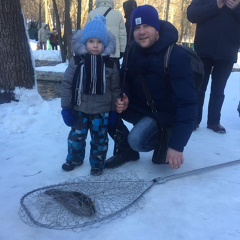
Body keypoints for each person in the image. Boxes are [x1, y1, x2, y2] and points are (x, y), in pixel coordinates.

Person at [105, 5, 197, 170]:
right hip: (142, 108)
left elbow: (188, 104)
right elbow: (123, 79)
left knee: (136, 140)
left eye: (146, 26)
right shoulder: (132, 50)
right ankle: (127, 152)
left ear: (157, 28)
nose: (141, 32)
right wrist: (125, 96)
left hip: (164, 114)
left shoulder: (176, 56)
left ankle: (166, 136)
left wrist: (177, 145)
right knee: (105, 107)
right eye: (137, 27)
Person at [61, 15, 121, 176]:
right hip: (79, 108)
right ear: (84, 42)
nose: (95, 46)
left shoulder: (110, 64)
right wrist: (66, 108)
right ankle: (74, 159)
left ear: (105, 43)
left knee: (99, 139)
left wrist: (114, 111)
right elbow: (67, 84)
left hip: (101, 111)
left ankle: (97, 163)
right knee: (76, 138)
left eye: (99, 42)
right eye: (91, 41)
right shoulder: (76, 61)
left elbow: (115, 89)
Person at [187, 0, 240, 133]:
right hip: (203, 51)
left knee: (218, 90)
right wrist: (215, 5)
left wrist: (237, 8)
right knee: (198, 88)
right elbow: (191, 15)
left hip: (227, 53)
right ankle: (194, 119)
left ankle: (214, 122)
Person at [87, 0, 127, 69]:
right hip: (114, 53)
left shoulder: (91, 14)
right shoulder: (118, 15)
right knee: (114, 76)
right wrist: (122, 51)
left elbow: (87, 33)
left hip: (96, 52)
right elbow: (122, 35)